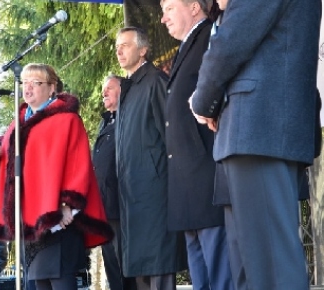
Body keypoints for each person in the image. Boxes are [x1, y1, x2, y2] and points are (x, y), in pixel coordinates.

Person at [189, 0, 322, 289]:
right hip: (263, 128)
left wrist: (202, 102)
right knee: (256, 268)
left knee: (271, 268)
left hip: (259, 128)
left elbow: (230, 42)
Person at [0, 63, 113, 290]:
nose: (28, 88)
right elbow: (10, 174)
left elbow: (78, 165)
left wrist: (67, 205)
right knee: (36, 284)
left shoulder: (67, 120)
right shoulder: (18, 123)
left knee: (60, 282)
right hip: (29, 226)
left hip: (58, 222)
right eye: (25, 82)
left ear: (52, 87)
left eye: (36, 82)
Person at [160, 0, 233, 289]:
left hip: (206, 174)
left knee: (219, 271)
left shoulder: (210, 36)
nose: (163, 19)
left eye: (168, 9)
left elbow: (220, 81)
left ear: (193, 7)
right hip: (187, 181)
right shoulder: (186, 46)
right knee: (200, 272)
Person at [115, 27, 187, 290]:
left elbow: (172, 137)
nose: (119, 50)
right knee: (141, 271)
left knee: (159, 267)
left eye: (125, 45)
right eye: (117, 46)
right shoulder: (128, 87)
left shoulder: (155, 81)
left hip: (155, 194)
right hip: (132, 194)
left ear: (143, 50)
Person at [92, 74, 137, 290]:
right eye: (103, 88)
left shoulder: (127, 118)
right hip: (104, 207)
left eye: (109, 87)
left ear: (123, 91)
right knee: (112, 266)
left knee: (125, 266)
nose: (104, 92)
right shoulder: (105, 121)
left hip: (121, 205)